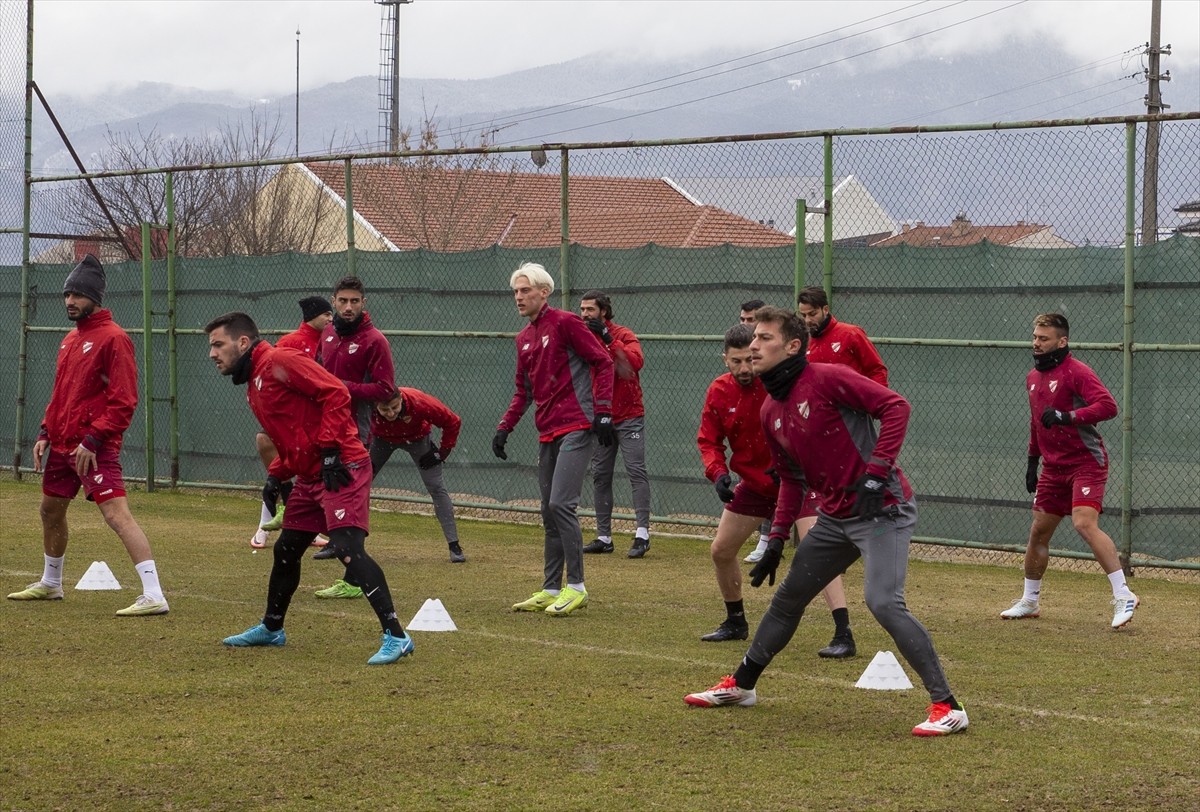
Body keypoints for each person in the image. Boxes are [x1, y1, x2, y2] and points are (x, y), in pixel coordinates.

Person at [685, 306, 968, 737]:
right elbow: (793, 482)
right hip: (834, 518)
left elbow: (896, 407)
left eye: (764, 338)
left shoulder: (827, 376)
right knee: (787, 598)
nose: (753, 345)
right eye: (752, 338)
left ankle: (948, 706)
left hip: (881, 513)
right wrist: (777, 539)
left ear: (793, 345)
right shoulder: (770, 410)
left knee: (883, 602)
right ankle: (741, 686)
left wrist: (877, 472)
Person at [206, 311, 412, 664]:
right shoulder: (255, 383)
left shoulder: (280, 361)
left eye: (217, 344)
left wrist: (332, 449)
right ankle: (272, 629)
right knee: (286, 548)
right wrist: (276, 474)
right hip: (311, 474)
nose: (212, 353)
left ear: (242, 342)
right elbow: (295, 435)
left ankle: (397, 635)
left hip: (342, 466)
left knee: (347, 547)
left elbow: (335, 393)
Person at [7, 254, 169, 616]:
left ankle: (154, 593)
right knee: (50, 510)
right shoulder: (68, 340)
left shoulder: (114, 339)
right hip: (63, 447)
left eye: (77, 295)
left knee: (117, 516)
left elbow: (124, 400)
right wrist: (45, 431)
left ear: (95, 298)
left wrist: (94, 439)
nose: (69, 301)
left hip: (94, 449)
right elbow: (62, 394)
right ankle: (51, 584)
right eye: (67, 295)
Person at [1000, 312, 1137, 629]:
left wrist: (1066, 416)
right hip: (1053, 468)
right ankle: (1030, 601)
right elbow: (1037, 422)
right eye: (1034, 336)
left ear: (1062, 341)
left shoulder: (1077, 372)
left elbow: (1108, 406)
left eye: (1043, 338)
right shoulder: (1033, 378)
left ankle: (1123, 595)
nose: (1036, 343)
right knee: (1038, 531)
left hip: (1086, 463)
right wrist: (1033, 461)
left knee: (1084, 523)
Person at [494, 262, 615, 616]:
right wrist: (505, 427)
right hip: (547, 431)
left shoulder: (565, 322)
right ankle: (550, 587)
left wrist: (603, 410)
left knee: (562, 504)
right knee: (548, 511)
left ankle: (576, 587)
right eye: (516, 291)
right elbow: (522, 392)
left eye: (525, 290)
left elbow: (603, 362)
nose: (519, 297)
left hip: (578, 425)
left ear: (543, 292)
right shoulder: (523, 338)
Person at [311, 277, 397, 599]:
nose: (349, 307)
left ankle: (351, 576)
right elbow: (318, 372)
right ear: (334, 301)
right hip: (325, 427)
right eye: (343, 301)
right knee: (329, 493)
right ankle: (336, 545)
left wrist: (341, 388)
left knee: (351, 500)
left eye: (355, 301)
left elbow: (386, 388)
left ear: (364, 303)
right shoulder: (329, 333)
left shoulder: (374, 340)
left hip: (355, 432)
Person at [696, 323, 781, 643]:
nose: (745, 368)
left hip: (795, 484)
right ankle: (736, 623)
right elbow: (708, 440)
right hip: (756, 485)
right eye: (736, 362)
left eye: (749, 360)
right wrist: (717, 473)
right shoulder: (719, 390)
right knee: (721, 550)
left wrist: (787, 464)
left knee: (817, 556)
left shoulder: (777, 382)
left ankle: (842, 629)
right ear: (725, 360)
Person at [250, 295, 333, 548]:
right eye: (325, 314)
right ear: (311, 317)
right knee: (269, 450)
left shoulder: (331, 341)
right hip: (295, 420)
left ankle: (312, 528)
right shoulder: (291, 342)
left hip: (319, 421)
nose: (331, 318)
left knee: (314, 477)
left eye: (332, 314)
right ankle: (266, 524)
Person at [578, 291, 651, 559]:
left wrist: (608, 339)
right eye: (582, 309)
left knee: (635, 471)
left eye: (590, 309)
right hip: (599, 418)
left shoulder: (623, 334)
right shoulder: (581, 337)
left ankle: (642, 534)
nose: (585, 314)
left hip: (629, 414)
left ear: (604, 311)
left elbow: (632, 365)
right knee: (600, 474)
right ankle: (604, 536)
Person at [370, 387, 466, 564]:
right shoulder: (367, 404)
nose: (390, 413)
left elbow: (453, 421)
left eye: (394, 407)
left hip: (417, 439)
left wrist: (442, 453)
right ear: (376, 406)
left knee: (436, 487)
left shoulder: (420, 402)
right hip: (381, 440)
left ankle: (454, 546)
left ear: (401, 400)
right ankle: (340, 542)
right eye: (384, 410)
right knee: (358, 484)